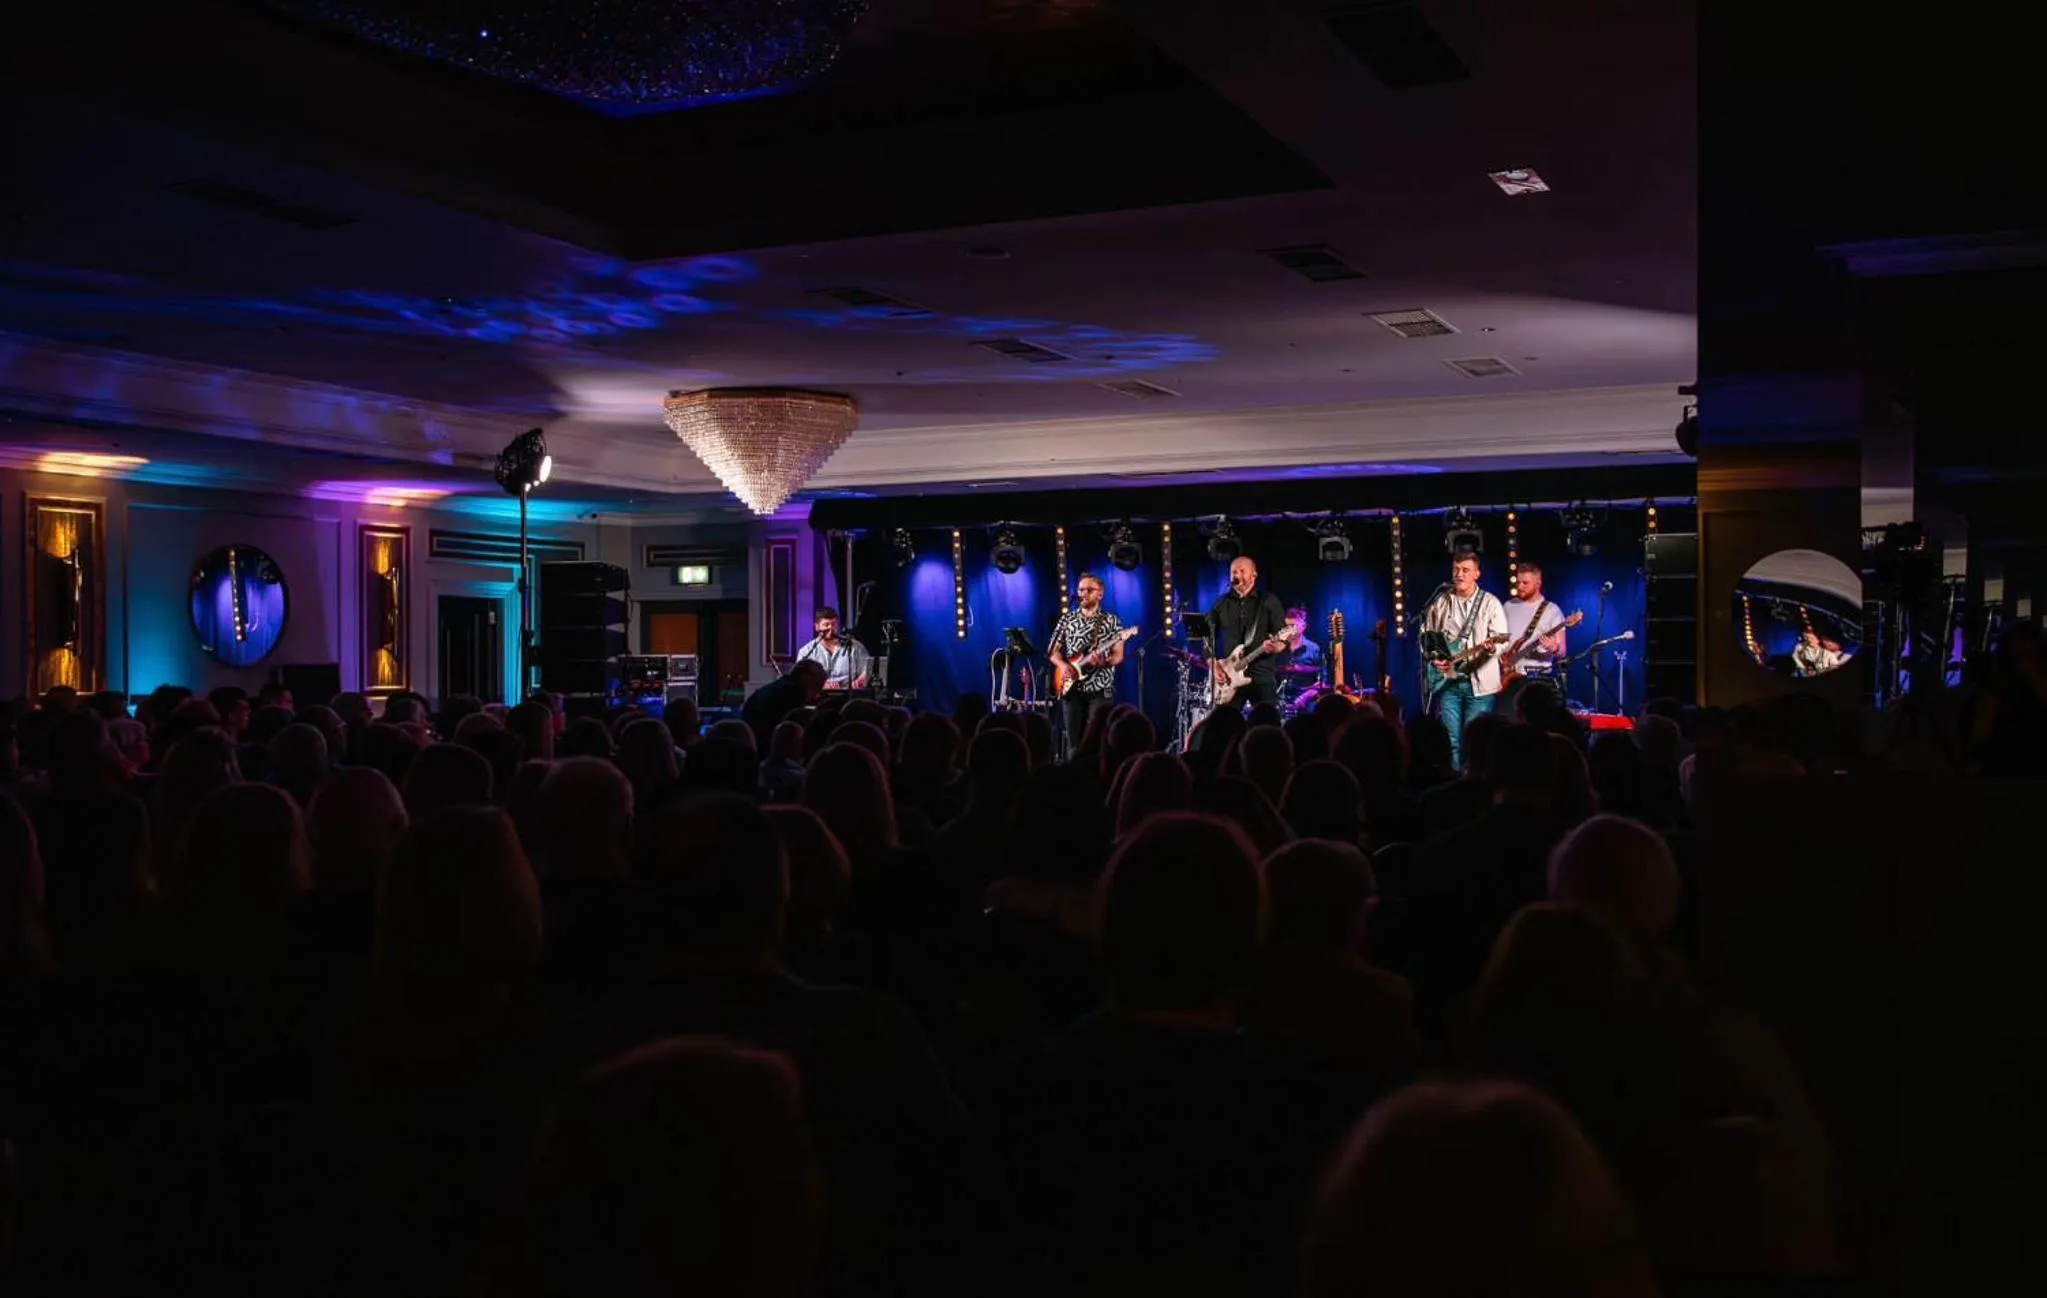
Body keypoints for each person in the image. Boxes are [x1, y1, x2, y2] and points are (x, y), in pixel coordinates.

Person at [1421, 551, 1508, 769]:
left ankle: (1476, 785)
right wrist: (1433, 659)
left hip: (1480, 685)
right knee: (1451, 741)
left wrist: (1490, 649)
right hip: (1449, 682)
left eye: (1465, 570)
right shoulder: (1441, 602)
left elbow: (1502, 641)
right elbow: (1426, 635)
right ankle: (1455, 783)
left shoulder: (1490, 603)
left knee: (1476, 741)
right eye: (1456, 569)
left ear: (1477, 574)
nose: (1459, 574)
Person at [1048, 572, 1127, 757]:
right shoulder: (1067, 619)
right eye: (1081, 590)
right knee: (1073, 744)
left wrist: (1103, 663)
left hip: (1099, 690)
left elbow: (1118, 656)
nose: (1083, 593)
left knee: (1098, 743)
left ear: (1100, 593)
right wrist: (1063, 665)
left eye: (1089, 590)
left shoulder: (1112, 621)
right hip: (1071, 689)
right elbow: (1053, 651)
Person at [1206, 556, 1291, 707]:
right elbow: (1206, 636)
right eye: (1234, 572)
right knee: (1226, 725)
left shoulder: (1268, 600)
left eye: (1242, 571)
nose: (1237, 575)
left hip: (1261, 674)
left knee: (1266, 724)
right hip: (1230, 675)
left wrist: (1276, 647)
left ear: (1254, 575)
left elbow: (1283, 637)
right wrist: (1214, 666)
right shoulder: (1221, 603)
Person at [1498, 562, 1571, 714]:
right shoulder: (1508, 606)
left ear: (1538, 583)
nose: (1520, 586)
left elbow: (1562, 651)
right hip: (1507, 678)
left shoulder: (1552, 610)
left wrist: (1554, 648)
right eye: (1518, 582)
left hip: (1536, 681)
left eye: (1525, 583)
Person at [742, 660, 827, 747]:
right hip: (765, 743)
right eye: (817, 686)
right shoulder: (794, 691)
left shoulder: (782, 685)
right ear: (806, 678)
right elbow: (791, 730)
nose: (816, 695)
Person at [794, 607, 870, 691]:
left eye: (833, 624)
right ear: (817, 627)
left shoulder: (855, 647)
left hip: (848, 696)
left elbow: (868, 669)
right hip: (819, 697)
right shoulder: (806, 651)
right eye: (826, 625)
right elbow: (800, 678)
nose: (831, 628)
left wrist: (860, 680)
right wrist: (822, 684)